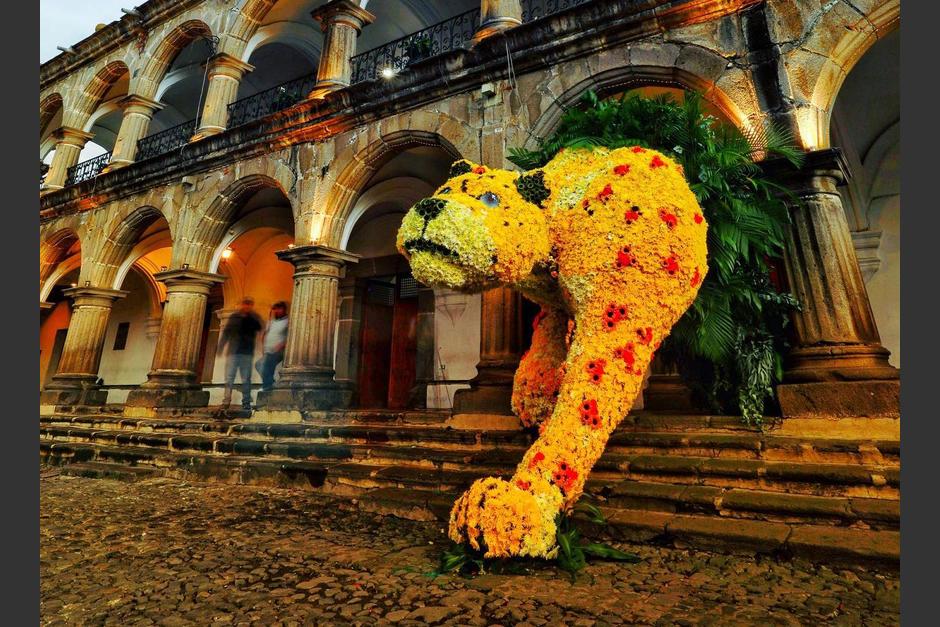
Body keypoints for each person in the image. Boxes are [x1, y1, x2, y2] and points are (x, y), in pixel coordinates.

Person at [220, 297, 263, 410]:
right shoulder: (234, 317)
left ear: (251, 306)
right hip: (233, 352)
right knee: (229, 378)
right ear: (242, 304)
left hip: (246, 353)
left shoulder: (253, 318)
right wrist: (221, 347)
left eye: (249, 304)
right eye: (245, 303)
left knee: (246, 379)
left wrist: (251, 316)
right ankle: (226, 402)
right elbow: (226, 332)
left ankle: (246, 402)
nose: (247, 306)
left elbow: (259, 328)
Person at [256, 301, 289, 392]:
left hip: (278, 351)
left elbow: (290, 336)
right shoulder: (271, 322)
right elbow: (265, 335)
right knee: (258, 365)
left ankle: (267, 386)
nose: (277, 311)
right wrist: (264, 348)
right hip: (268, 350)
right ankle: (271, 383)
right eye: (275, 309)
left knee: (267, 366)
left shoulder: (287, 321)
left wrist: (282, 344)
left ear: (284, 310)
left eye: (279, 309)